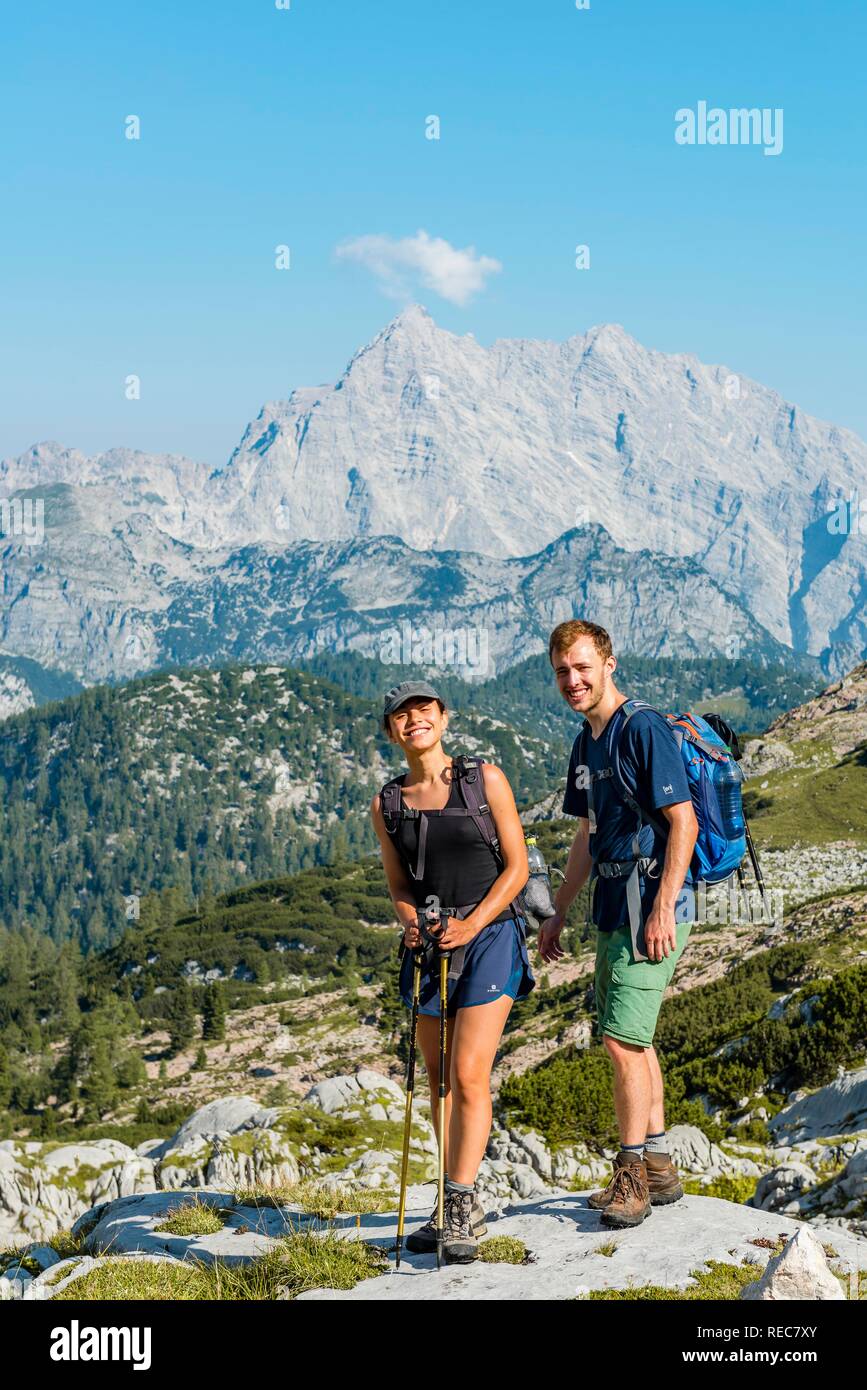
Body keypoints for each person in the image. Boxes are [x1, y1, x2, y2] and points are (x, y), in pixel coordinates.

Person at [540, 621, 698, 1229]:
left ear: (609, 663)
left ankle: (631, 1175)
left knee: (621, 1041)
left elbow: (681, 821)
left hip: (649, 901)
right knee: (632, 1034)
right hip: (611, 897)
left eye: (582, 667)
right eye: (561, 671)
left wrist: (662, 907)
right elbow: (585, 834)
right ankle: (658, 1167)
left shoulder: (643, 729)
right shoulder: (586, 742)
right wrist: (559, 907)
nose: (572, 680)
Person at [370, 680, 534, 1262]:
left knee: (467, 1073)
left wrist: (473, 923)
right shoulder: (388, 803)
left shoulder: (483, 780)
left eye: (424, 709)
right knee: (437, 1076)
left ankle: (460, 1199)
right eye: (402, 715)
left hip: (490, 936)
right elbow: (397, 883)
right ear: (392, 730)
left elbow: (515, 868)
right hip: (430, 947)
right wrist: (411, 921)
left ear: (443, 716)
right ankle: (453, 1193)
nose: (415, 720)